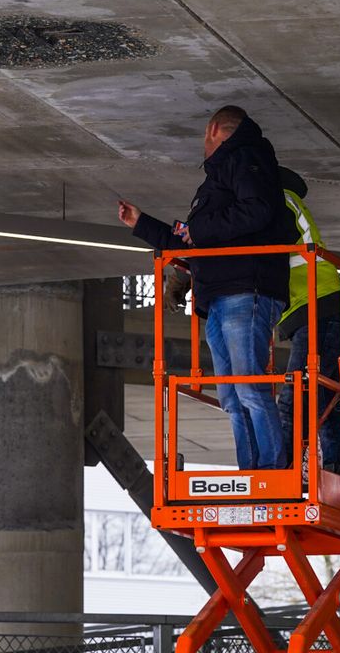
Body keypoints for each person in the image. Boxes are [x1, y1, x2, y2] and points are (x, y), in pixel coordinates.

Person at [117, 106, 295, 470]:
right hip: (219, 295)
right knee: (231, 394)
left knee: (247, 385)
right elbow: (194, 241)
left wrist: (199, 229)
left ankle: (273, 473)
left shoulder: (246, 157)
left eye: (204, 135)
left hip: (245, 289)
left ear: (215, 129)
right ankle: (253, 473)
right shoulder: (219, 180)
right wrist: (142, 224)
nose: (203, 144)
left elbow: (257, 210)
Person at [273, 167, 340, 478]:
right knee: (319, 398)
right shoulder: (288, 201)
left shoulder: (276, 203)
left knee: (294, 397)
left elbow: (259, 250)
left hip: (314, 306)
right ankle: (337, 470)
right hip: (322, 304)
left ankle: (283, 475)